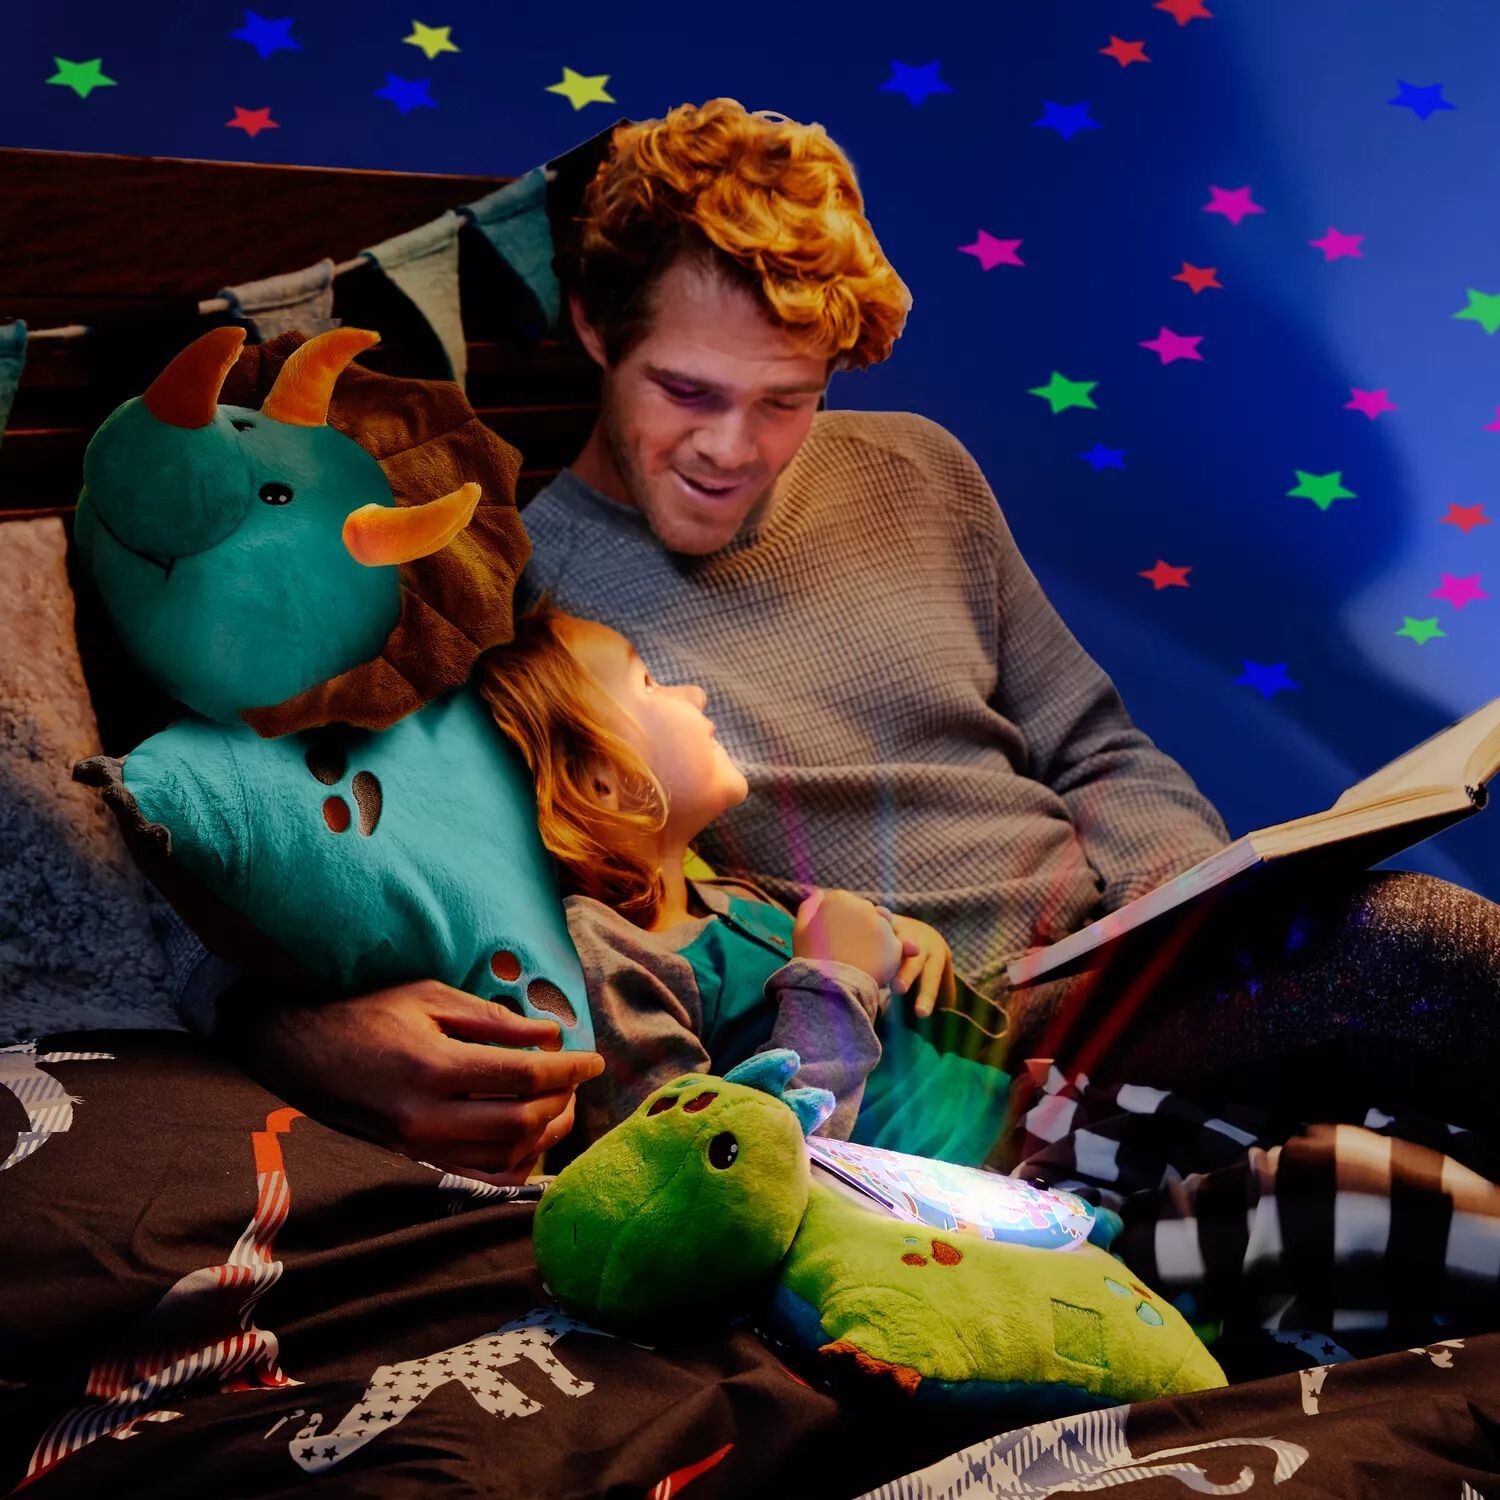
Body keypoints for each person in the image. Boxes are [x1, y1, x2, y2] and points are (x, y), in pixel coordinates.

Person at [195, 97, 1500, 1175]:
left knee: (1399, 1030)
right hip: (936, 1039)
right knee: (1419, 950)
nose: (730, 449)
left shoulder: (919, 468)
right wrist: (291, 1033)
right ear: (594, 328)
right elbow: (328, 874)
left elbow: (1098, 749)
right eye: (687, 391)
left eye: (786, 401)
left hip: (1125, 970)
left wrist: (1189, 911)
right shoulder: (511, 594)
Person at [474, 597, 1013, 1163]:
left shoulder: (725, 901)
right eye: (648, 683)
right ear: (596, 778)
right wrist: (835, 980)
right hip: (973, 1182)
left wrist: (903, 960)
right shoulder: (609, 959)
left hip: (1011, 1113)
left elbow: (885, 1044)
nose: (695, 694)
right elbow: (709, 1168)